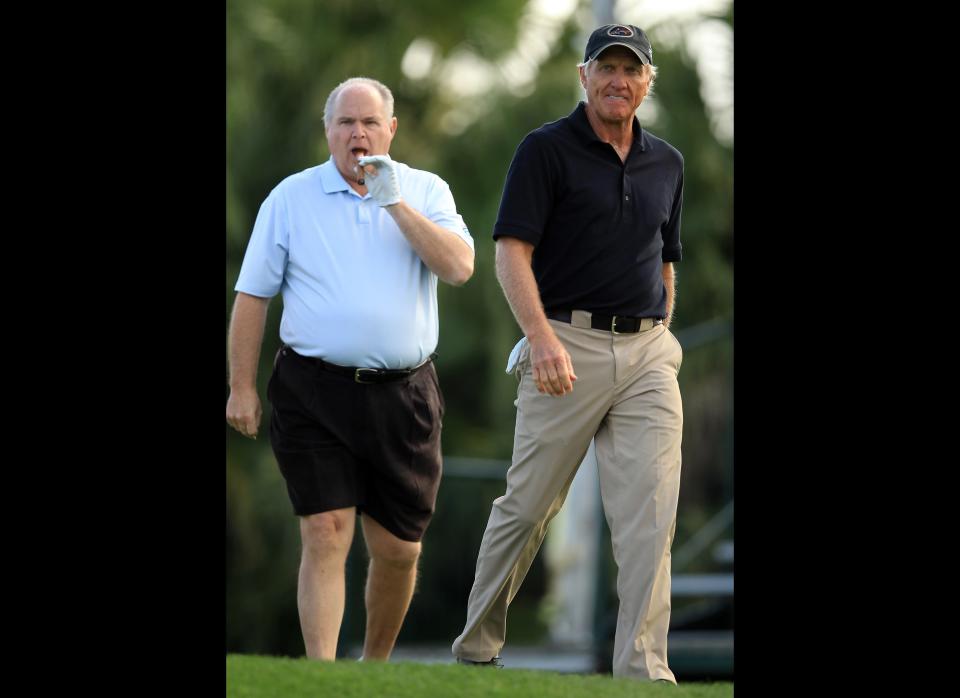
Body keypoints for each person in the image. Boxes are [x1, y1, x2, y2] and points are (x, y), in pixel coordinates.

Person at [452, 24, 684, 683]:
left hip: (646, 355)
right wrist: (544, 338)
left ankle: (644, 669)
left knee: (651, 516)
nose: (619, 79)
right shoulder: (545, 151)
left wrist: (663, 328)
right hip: (564, 345)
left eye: (631, 69)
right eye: (606, 67)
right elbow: (510, 254)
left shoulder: (667, 162)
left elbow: (668, 259)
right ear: (583, 76)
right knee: (528, 507)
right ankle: (475, 647)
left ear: (647, 82)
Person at [226, 76, 475, 661]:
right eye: (345, 122)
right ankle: (322, 675)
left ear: (391, 130)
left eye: (369, 122)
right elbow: (252, 297)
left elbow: (459, 267)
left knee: (398, 550)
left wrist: (394, 203)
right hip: (313, 390)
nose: (357, 133)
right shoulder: (291, 197)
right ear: (328, 132)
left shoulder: (425, 189)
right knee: (325, 531)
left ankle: (374, 670)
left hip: (405, 394)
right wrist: (240, 387)